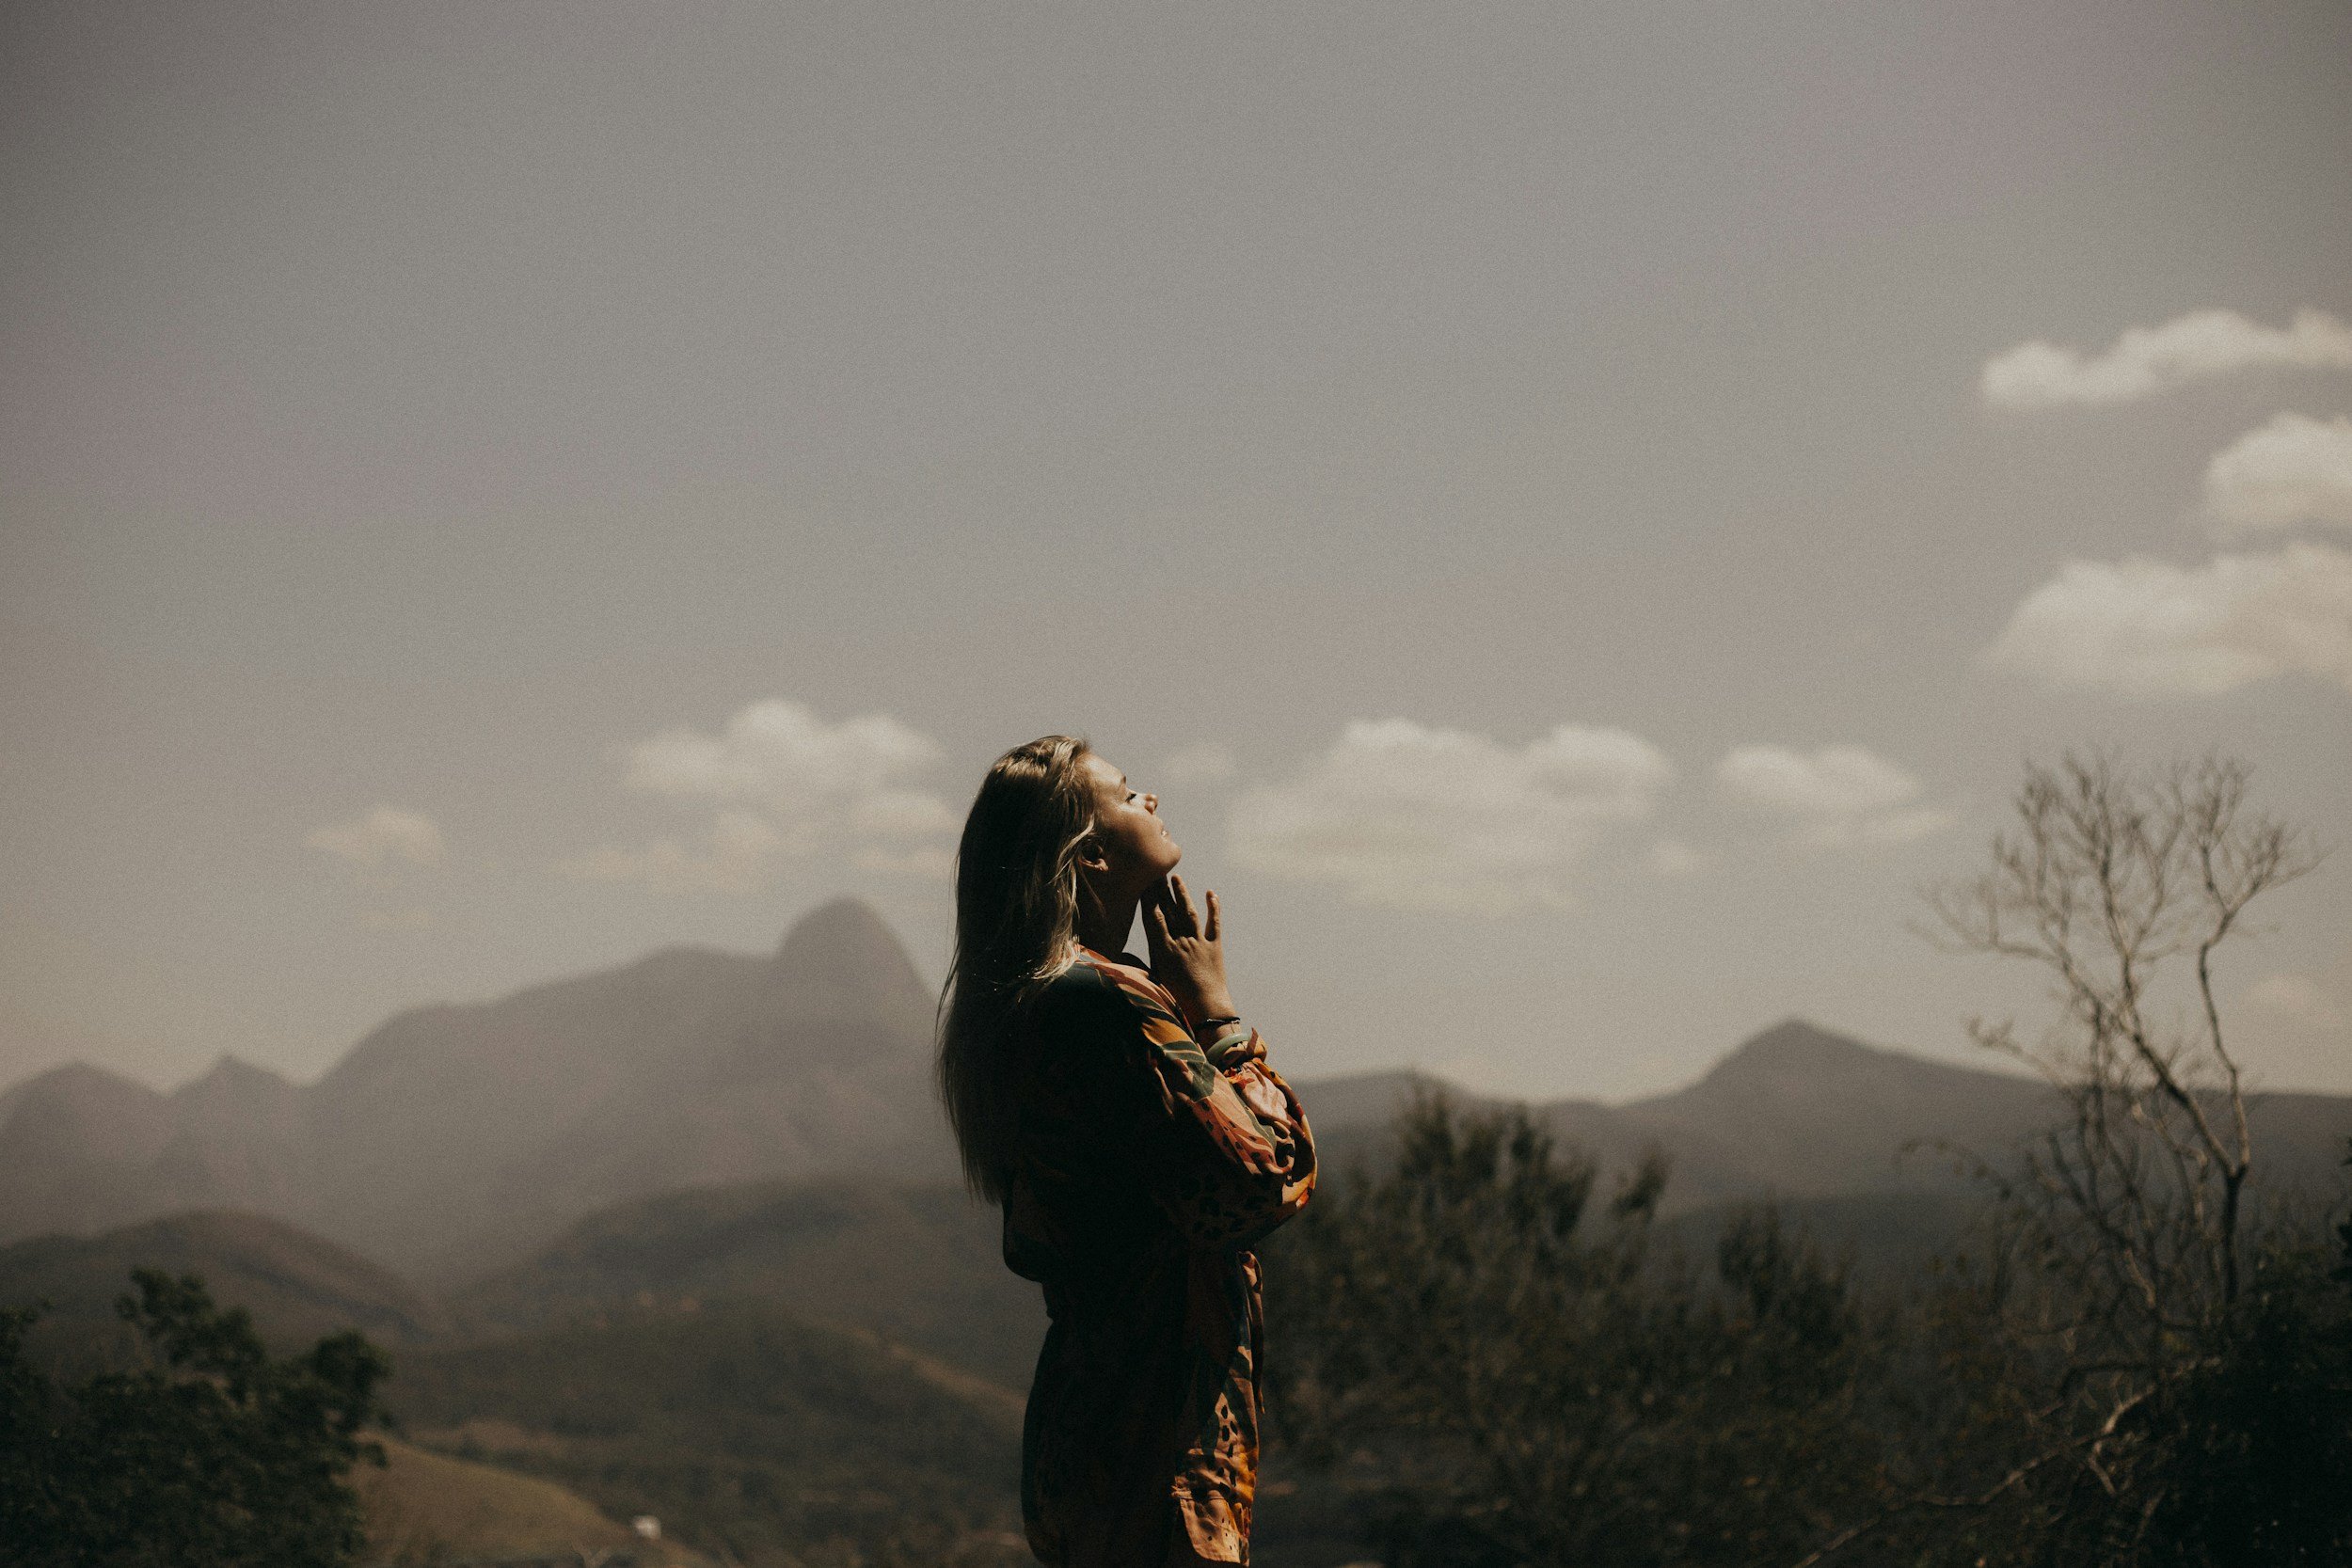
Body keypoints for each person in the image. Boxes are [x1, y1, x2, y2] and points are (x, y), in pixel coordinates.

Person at [938, 735, 1317, 1567]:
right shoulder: (1104, 1003)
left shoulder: (1037, 1005)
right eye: (1125, 791)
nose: (1150, 798)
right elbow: (1266, 1181)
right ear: (1092, 853)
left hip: (1092, 1439)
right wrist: (1218, 1017)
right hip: (1155, 1447)